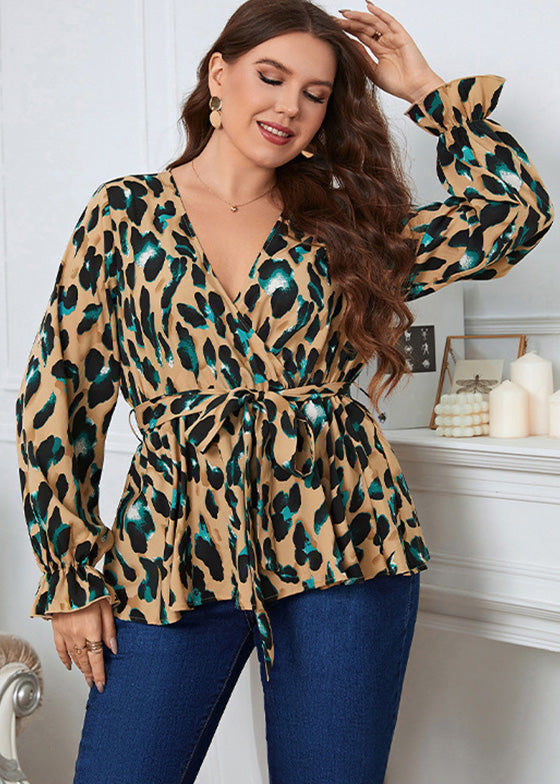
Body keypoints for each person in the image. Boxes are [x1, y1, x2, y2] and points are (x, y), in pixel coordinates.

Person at [14, 1, 554, 783]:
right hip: (173, 545)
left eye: (315, 93)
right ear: (218, 74)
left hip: (345, 537)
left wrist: (426, 90)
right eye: (271, 77)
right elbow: (58, 397)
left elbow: (513, 216)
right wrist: (71, 576)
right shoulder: (124, 214)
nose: (290, 107)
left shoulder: (345, 222)